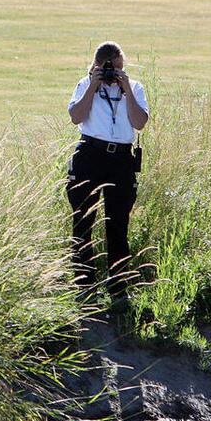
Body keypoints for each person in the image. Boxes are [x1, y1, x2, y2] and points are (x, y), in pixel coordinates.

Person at [65, 41, 150, 309]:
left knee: (118, 225)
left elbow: (140, 122)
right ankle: (84, 287)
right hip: (90, 154)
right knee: (83, 221)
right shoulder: (84, 85)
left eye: (118, 69)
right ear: (96, 67)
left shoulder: (134, 88)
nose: (113, 75)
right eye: (108, 70)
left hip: (121, 159)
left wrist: (126, 88)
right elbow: (76, 117)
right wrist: (93, 85)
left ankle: (118, 289)